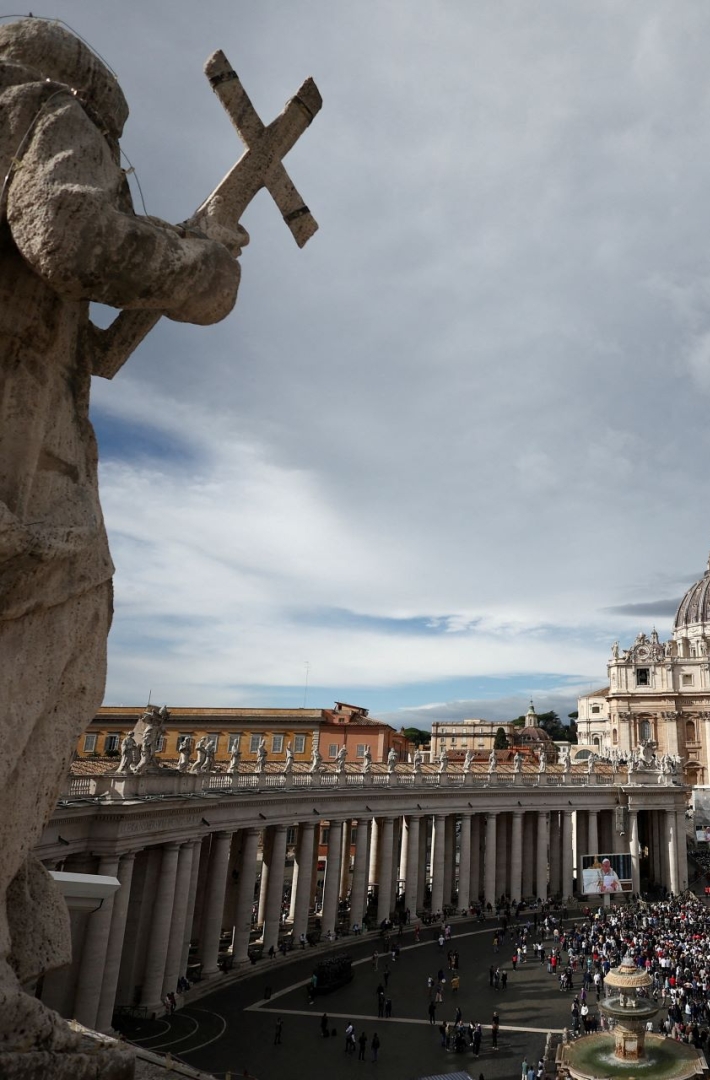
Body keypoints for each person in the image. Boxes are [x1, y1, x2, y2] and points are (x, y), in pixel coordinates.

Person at [0, 16, 244, 1052]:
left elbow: (90, 343)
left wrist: (193, 239)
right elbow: (67, 231)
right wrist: (207, 272)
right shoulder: (39, 105)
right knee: (64, 639)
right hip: (28, 480)